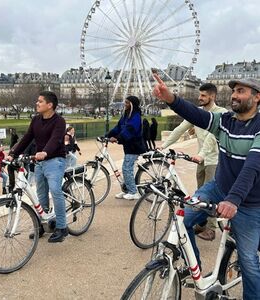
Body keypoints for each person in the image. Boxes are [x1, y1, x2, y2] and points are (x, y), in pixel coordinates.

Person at [153, 75, 260, 299]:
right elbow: (197, 116)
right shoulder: (225, 120)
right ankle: (197, 272)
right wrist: (171, 98)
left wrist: (233, 200)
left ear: (257, 97)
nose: (234, 95)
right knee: (182, 220)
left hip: (249, 202)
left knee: (249, 261)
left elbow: (252, 166)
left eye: (241, 91)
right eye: (233, 91)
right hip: (218, 188)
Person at [161, 83, 227, 241]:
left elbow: (212, 138)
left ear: (212, 96)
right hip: (201, 160)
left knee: (210, 197)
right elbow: (179, 129)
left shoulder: (221, 113)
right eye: (200, 95)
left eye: (204, 95)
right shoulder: (197, 114)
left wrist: (202, 154)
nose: (200, 98)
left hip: (214, 160)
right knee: (200, 195)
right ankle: (202, 224)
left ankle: (211, 229)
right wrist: (163, 146)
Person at [9, 91, 67, 243]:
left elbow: (55, 139)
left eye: (40, 101)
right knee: (40, 194)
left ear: (50, 105)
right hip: (39, 161)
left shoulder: (59, 121)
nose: (37, 103)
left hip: (55, 160)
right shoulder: (36, 120)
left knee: (55, 190)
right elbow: (27, 138)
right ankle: (43, 223)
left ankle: (61, 227)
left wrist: (45, 152)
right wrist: (13, 154)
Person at [107, 95, 146, 200]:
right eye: (125, 102)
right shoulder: (126, 115)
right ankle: (127, 190)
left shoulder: (136, 116)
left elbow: (129, 130)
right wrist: (107, 135)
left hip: (135, 147)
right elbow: (119, 127)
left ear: (132, 104)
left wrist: (118, 138)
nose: (125, 104)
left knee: (126, 169)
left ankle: (134, 192)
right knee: (126, 169)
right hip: (129, 147)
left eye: (127, 102)